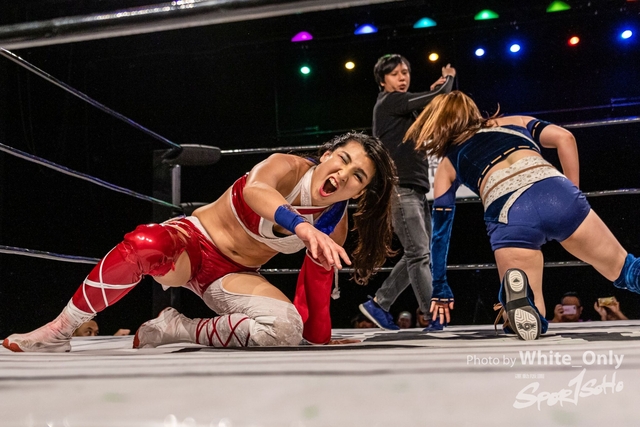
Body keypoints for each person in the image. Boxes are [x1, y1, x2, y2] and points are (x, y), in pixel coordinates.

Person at [3, 132, 397, 352]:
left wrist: (320, 340)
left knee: (285, 329)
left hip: (235, 276)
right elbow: (256, 191)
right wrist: (300, 227)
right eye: (343, 159)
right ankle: (60, 330)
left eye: (358, 176)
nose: (344, 174)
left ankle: (177, 328)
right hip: (192, 244)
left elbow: (314, 287)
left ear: (360, 192)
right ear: (326, 155)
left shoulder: (334, 225)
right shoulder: (287, 166)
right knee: (146, 243)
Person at [405, 90, 640, 340]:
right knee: (625, 269)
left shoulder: (448, 163)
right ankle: (519, 300)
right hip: (554, 190)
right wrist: (573, 192)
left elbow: (440, 233)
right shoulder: (514, 122)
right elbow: (565, 137)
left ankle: (521, 301)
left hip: (508, 210)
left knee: (528, 311)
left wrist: (440, 287)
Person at [359, 53, 456, 331]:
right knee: (419, 253)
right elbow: (441, 95)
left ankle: (379, 303)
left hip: (414, 189)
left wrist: (436, 92)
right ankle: (432, 314)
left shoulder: (403, 108)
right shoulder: (389, 101)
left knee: (419, 252)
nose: (402, 78)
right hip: (399, 187)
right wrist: (447, 79)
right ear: (382, 81)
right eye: (395, 74)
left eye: (405, 72)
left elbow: (434, 104)